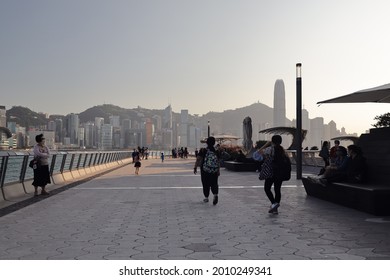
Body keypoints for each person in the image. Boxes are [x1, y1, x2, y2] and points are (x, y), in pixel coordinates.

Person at [259, 135, 290, 214]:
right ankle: (275, 209)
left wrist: (266, 144)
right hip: (280, 173)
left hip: (271, 172)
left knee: (267, 188)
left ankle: (274, 203)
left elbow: (258, 152)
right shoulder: (283, 151)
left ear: (272, 141)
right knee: (277, 190)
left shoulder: (269, 149)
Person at [194, 136, 221, 205]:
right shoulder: (216, 151)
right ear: (214, 142)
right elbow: (218, 161)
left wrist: (195, 167)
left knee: (205, 184)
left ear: (207, 143)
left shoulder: (203, 150)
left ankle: (206, 197)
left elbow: (198, 159)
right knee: (214, 183)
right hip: (214, 170)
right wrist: (218, 170)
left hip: (205, 170)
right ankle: (215, 195)